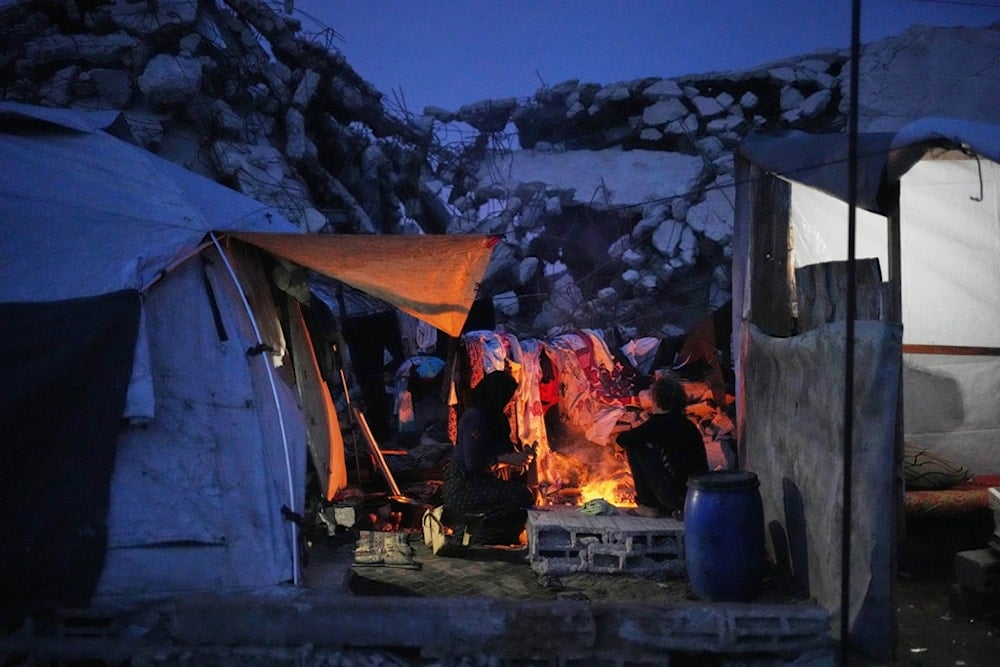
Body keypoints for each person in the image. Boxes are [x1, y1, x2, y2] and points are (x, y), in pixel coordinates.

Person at [443, 370, 534, 544]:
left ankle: (500, 537)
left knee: (526, 495)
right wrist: (507, 460)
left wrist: (523, 455)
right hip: (464, 486)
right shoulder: (475, 418)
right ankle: (476, 535)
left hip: (483, 483)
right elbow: (474, 464)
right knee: (521, 496)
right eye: (509, 399)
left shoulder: (497, 418)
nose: (510, 403)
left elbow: (506, 449)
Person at [615, 375, 709, 518]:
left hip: (675, 497)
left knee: (635, 447)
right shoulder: (688, 425)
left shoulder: (659, 423)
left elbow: (623, 440)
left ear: (658, 401)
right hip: (695, 496)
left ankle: (648, 505)